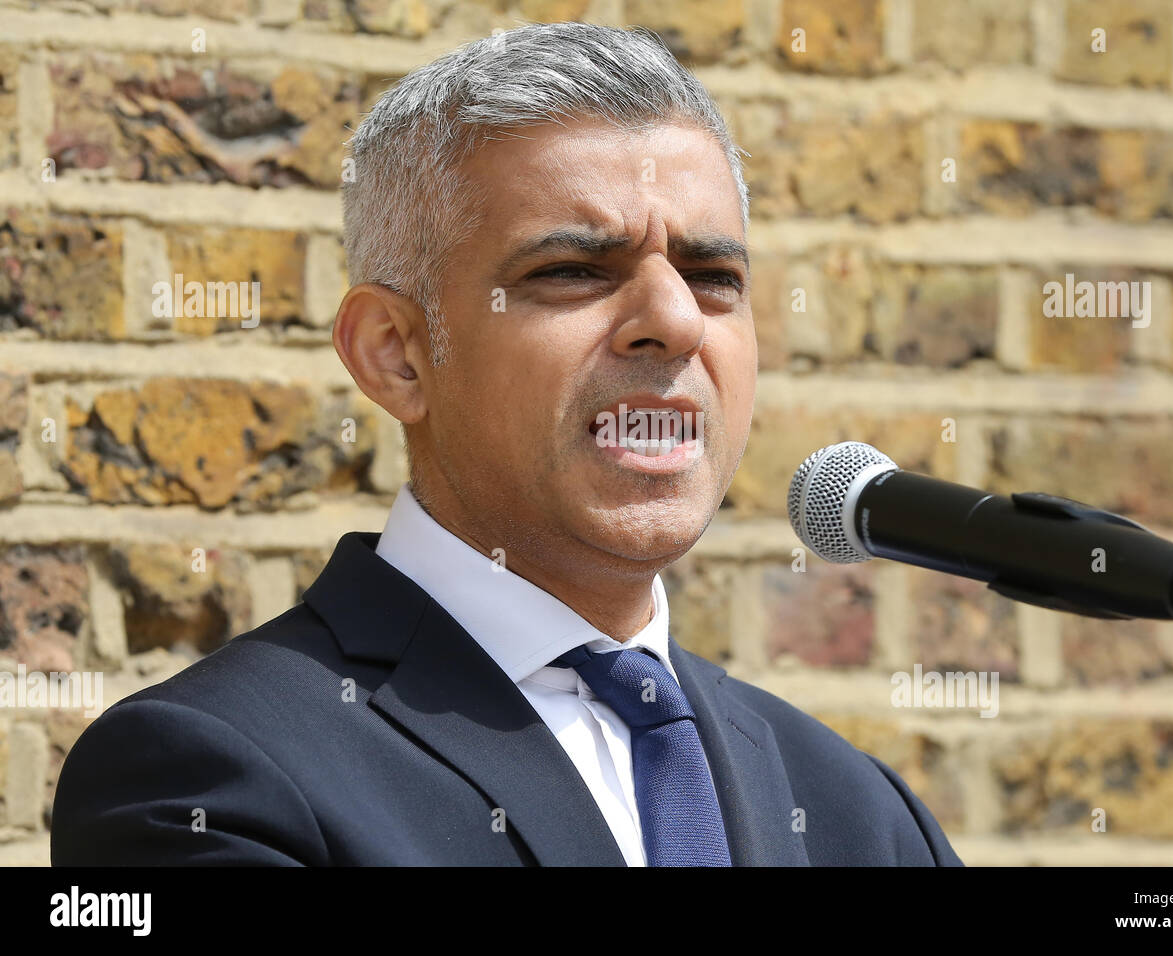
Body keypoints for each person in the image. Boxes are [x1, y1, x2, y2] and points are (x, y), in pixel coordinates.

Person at [51, 21, 962, 867]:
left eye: (713, 275)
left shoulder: (860, 813)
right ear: (396, 355)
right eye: (572, 271)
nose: (675, 321)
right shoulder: (205, 778)